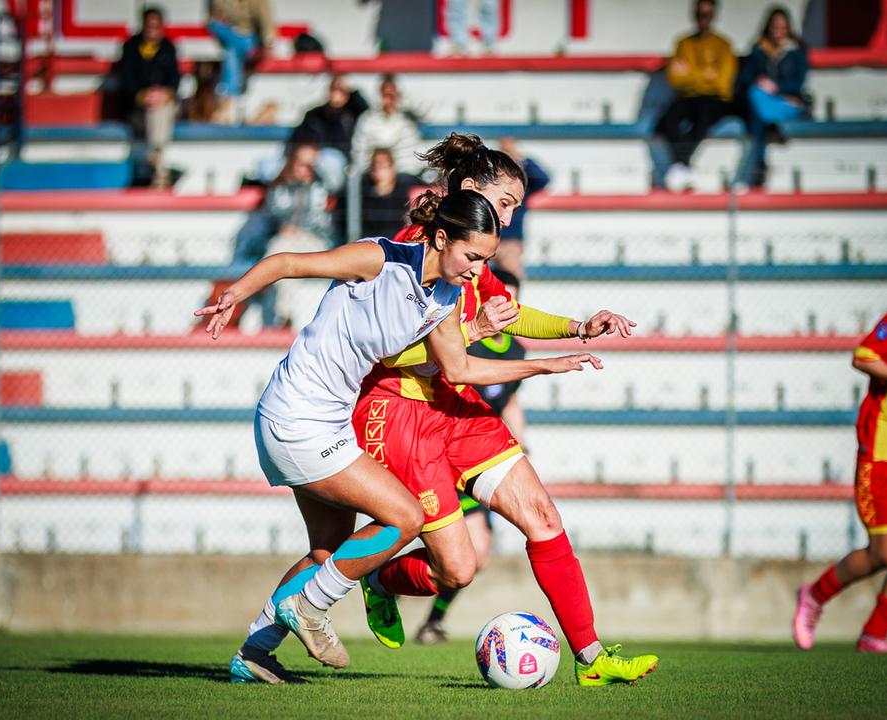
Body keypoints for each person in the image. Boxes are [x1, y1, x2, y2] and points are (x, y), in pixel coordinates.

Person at [228, 134, 658, 687]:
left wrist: (576, 327)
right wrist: (514, 352)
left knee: (543, 518)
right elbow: (388, 350)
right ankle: (367, 583)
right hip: (400, 411)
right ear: (471, 191)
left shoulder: (470, 252)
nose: (505, 221)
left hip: (454, 401)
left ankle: (592, 657)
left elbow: (508, 313)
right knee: (450, 566)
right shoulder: (419, 251)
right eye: (505, 203)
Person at [415, 268, 526, 645]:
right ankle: (380, 578)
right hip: (441, 448)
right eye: (495, 297)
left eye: (508, 300)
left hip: (477, 452)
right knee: (452, 548)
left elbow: (508, 399)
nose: (501, 306)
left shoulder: (516, 349)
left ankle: (432, 621)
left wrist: (519, 447)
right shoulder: (462, 337)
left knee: (476, 555)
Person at [793, 311, 887, 654]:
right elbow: (864, 356)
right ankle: (815, 595)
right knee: (884, 552)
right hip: (880, 454)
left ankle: (875, 635)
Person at [227, 142, 333, 328]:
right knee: (282, 251)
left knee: (281, 252)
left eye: (309, 165)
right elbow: (275, 213)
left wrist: (295, 226)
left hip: (314, 241)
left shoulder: (319, 187)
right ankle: (284, 314)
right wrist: (288, 225)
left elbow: (319, 220)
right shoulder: (280, 187)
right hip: (287, 240)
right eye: (301, 163)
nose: (305, 169)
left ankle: (261, 284)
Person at [657, 0, 737, 192]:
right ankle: (684, 165)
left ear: (714, 17)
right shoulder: (683, 43)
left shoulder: (723, 46)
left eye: (707, 15)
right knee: (666, 120)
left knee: (703, 117)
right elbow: (675, 78)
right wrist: (706, 74)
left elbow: (722, 84)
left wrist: (691, 74)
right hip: (688, 97)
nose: (704, 20)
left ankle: (682, 164)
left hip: (714, 100)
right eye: (700, 15)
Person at [738, 7, 810, 188]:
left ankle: (759, 164)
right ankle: (771, 128)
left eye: (782, 28)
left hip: (788, 102)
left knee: (757, 115)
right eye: (775, 27)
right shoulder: (758, 51)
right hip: (763, 103)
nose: (778, 32)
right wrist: (761, 83)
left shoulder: (796, 53)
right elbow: (745, 80)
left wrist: (776, 89)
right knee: (755, 96)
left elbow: (798, 84)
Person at [117, 6, 180, 189]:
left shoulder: (169, 48)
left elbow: (174, 81)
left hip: (164, 103)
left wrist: (164, 94)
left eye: (156, 27)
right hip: (138, 105)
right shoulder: (130, 47)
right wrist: (143, 96)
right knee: (155, 109)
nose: (152, 31)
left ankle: (156, 159)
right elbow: (127, 81)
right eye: (149, 26)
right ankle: (159, 165)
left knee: (159, 109)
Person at [207, 0, 275, 124]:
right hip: (230, 36)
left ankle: (227, 103)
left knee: (231, 51)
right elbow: (214, 20)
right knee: (230, 51)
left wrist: (267, 44)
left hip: (250, 37)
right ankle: (233, 104)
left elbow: (266, 21)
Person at [290, 75, 369, 178]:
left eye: (342, 91)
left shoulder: (352, 114)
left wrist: (351, 91)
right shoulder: (313, 115)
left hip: (341, 165)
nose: (337, 94)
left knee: (327, 160)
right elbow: (299, 140)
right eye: (334, 89)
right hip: (311, 162)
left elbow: (367, 112)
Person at [493, 138, 549, 279]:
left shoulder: (522, 183)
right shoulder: (493, 179)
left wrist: (521, 158)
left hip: (510, 239)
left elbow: (543, 179)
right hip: (486, 235)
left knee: (511, 279)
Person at [352, 75, 422, 175]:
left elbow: (413, 155)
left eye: (392, 95)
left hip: (405, 174)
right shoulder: (367, 120)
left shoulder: (408, 118)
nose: (389, 100)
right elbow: (360, 151)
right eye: (385, 95)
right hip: (374, 175)